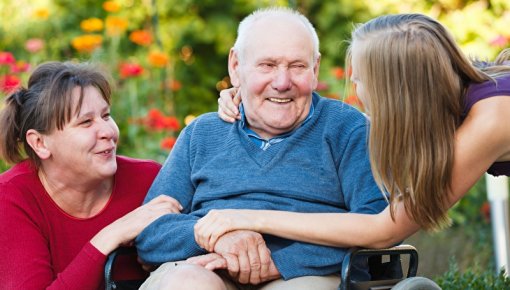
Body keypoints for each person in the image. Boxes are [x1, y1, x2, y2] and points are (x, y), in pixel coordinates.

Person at [205, 13, 510, 251]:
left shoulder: (492, 119)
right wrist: (249, 95)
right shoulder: (460, 95)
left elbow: (385, 230)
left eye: (361, 81)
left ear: (397, 91)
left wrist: (249, 217)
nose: (358, 93)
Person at [135, 7, 388, 290]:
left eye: (297, 66)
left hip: (306, 275)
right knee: (185, 283)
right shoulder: (201, 134)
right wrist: (214, 237)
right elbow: (150, 231)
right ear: (235, 66)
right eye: (267, 65)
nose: (282, 83)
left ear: (315, 69)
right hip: (209, 267)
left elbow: (377, 224)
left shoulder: (347, 128)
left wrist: (280, 261)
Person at [0, 61, 182, 289]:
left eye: (106, 116)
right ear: (40, 143)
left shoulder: (149, 179)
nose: (108, 132)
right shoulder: (12, 198)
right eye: (86, 122)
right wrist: (112, 235)